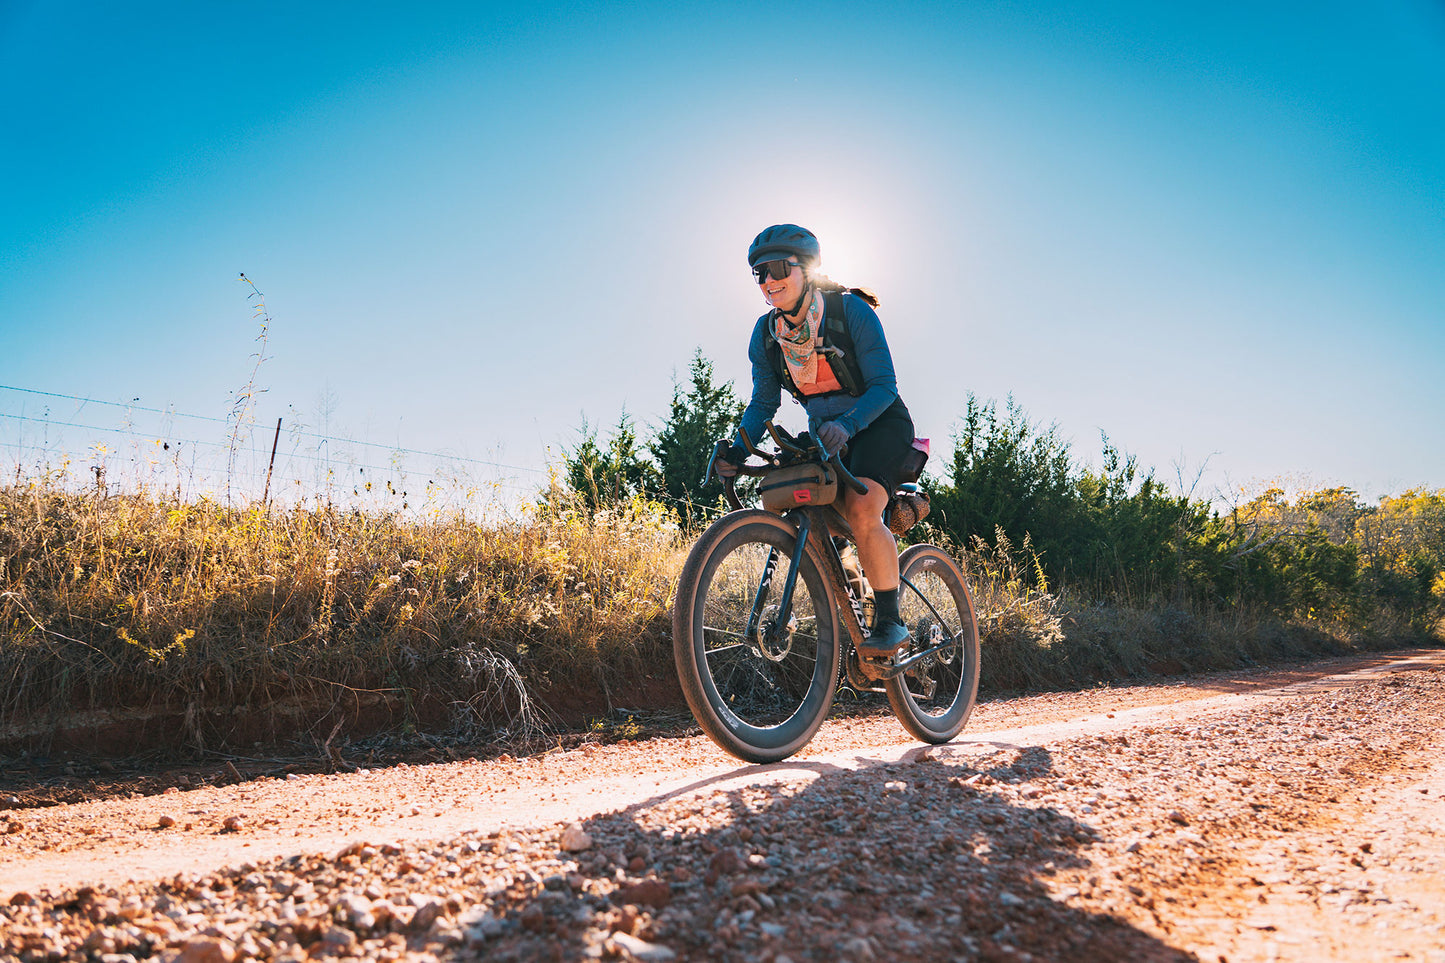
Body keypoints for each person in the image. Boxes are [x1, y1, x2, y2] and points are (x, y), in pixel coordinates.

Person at [716, 224, 917, 657]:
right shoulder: (766, 335)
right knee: (814, 509)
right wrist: (736, 449)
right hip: (828, 437)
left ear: (804, 269)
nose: (768, 281)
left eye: (776, 269)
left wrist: (847, 424)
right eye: (759, 274)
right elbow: (762, 404)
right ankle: (853, 598)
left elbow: (884, 386)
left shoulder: (851, 313)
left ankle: (890, 622)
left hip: (880, 423)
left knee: (863, 509)